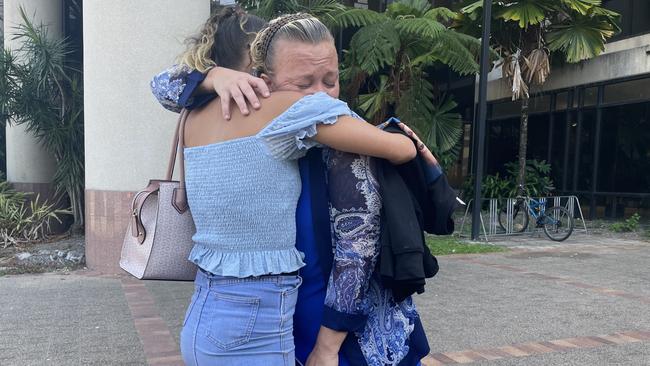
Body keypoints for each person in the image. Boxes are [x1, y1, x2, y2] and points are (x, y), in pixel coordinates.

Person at [174, 8, 418, 366]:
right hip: (258, 321)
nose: (319, 95)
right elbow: (400, 149)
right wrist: (406, 142)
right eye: (304, 84)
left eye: (329, 80)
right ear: (259, 76)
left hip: (203, 315)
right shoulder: (283, 112)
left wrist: (210, 78)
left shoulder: (190, 117)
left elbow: (165, 85)